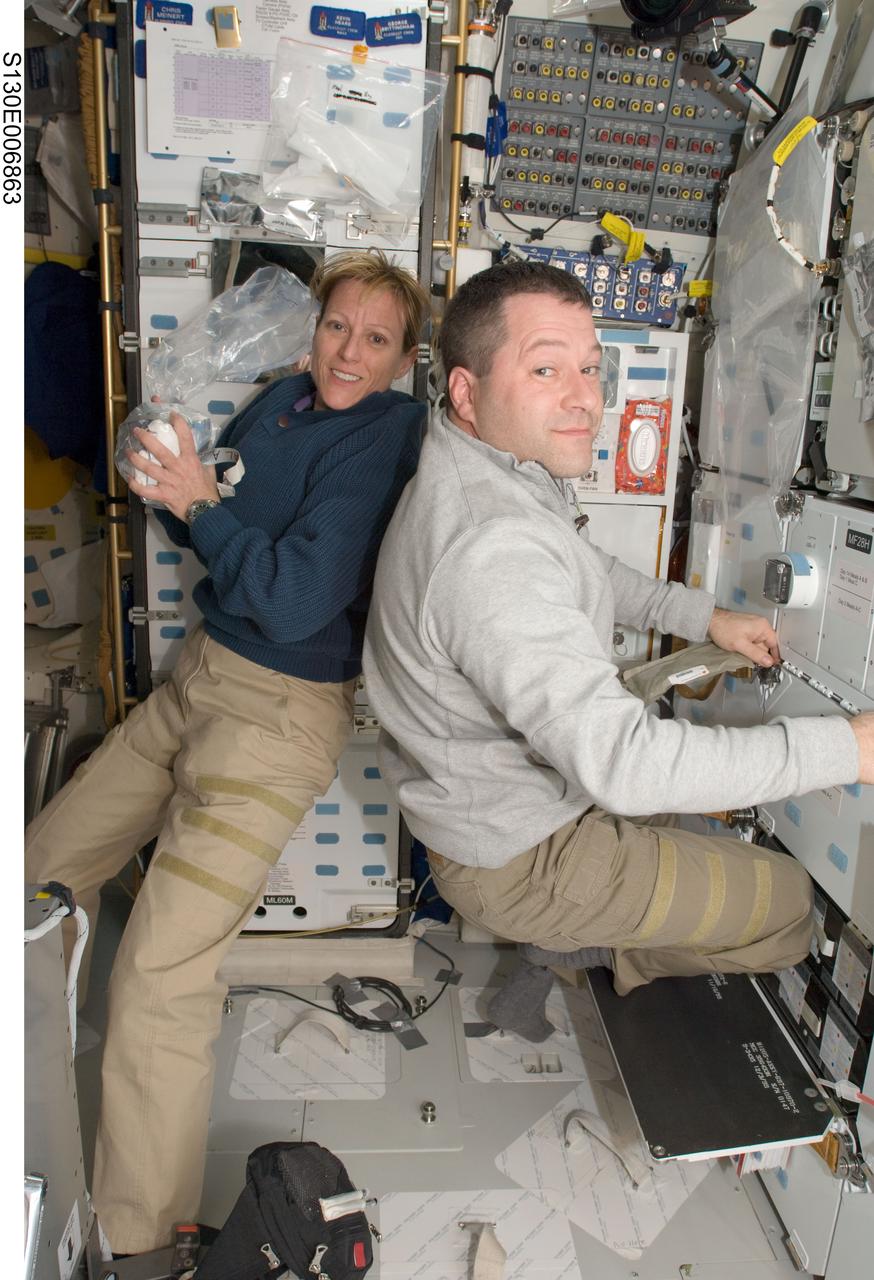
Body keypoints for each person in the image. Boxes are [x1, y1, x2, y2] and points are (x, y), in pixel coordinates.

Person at [25, 249, 429, 1256]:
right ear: (312, 326)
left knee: (160, 971)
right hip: (202, 677)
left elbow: (293, 592)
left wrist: (203, 504)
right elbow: (217, 522)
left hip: (278, 714)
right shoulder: (283, 401)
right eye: (337, 325)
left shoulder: (387, 435)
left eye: (375, 338)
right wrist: (163, 477)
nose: (347, 350)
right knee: (38, 874)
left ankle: (140, 1248)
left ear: (405, 359)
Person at [362, 259, 872, 1041]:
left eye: (590, 368)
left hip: (534, 797)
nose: (585, 398)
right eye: (545, 369)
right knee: (789, 909)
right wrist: (848, 747)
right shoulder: (489, 548)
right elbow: (627, 765)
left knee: (698, 811)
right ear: (467, 391)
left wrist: (703, 617)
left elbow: (583, 569)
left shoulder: (490, 470)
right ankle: (580, 944)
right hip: (525, 855)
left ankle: (571, 932)